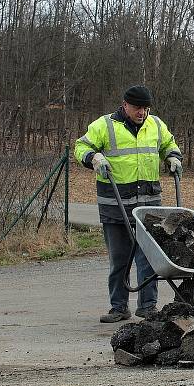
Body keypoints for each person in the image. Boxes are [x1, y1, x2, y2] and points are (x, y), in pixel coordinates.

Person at [75, 85, 182, 322]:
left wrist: (173, 157)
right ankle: (119, 307)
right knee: (120, 258)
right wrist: (94, 157)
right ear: (125, 105)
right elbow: (80, 146)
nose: (141, 112)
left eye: (145, 108)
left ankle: (147, 306)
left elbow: (169, 144)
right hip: (115, 205)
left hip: (149, 206)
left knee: (149, 258)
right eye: (137, 107)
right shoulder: (105, 125)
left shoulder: (156, 124)